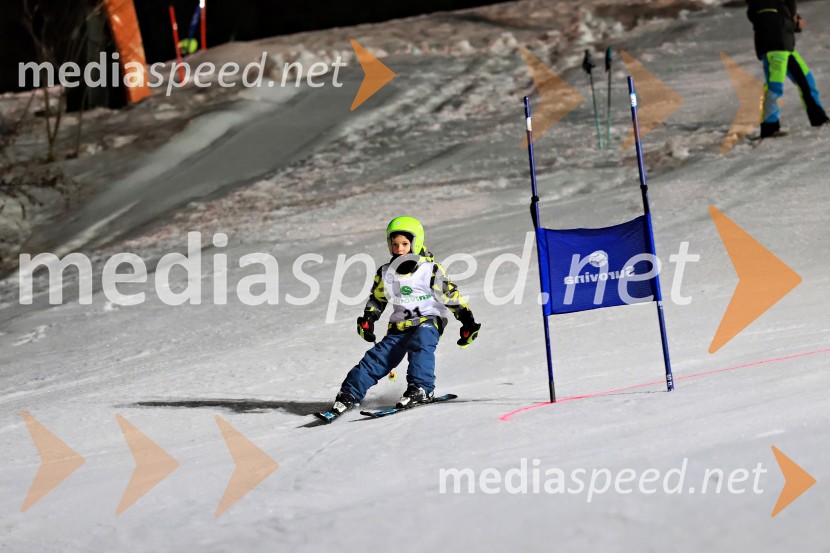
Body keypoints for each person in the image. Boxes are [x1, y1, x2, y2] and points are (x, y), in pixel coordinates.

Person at [327, 216, 481, 416]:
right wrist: (369, 319)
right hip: (399, 326)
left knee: (422, 341)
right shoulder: (386, 272)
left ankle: (422, 388)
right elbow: (378, 299)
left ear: (415, 243)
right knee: (377, 358)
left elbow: (450, 295)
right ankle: (349, 393)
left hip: (429, 320)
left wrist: (466, 320)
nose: (399, 249)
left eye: (405, 244)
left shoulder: (429, 270)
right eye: (395, 244)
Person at [746, 0, 829, 137]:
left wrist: (795, 24)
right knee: (774, 87)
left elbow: (781, 21)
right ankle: (769, 128)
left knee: (807, 81)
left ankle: (819, 119)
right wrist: (792, 21)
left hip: (786, 46)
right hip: (775, 47)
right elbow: (766, 21)